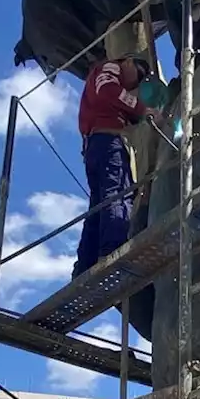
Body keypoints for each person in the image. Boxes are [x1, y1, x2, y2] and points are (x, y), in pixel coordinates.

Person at [74, 54, 161, 278]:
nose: (136, 82)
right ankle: (112, 252)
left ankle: (85, 265)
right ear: (129, 61)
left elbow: (110, 99)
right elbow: (108, 92)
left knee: (98, 206)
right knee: (119, 194)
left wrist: (134, 114)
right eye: (139, 74)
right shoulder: (110, 68)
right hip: (108, 143)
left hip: (95, 146)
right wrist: (142, 109)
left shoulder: (105, 88)